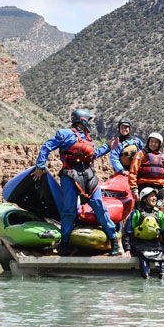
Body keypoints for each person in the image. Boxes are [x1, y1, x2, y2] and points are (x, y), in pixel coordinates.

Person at [32, 108, 120, 256]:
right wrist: (40, 166)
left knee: (99, 206)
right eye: (88, 120)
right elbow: (47, 146)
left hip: (89, 176)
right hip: (70, 175)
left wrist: (109, 147)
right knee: (69, 210)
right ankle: (65, 244)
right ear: (82, 120)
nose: (90, 123)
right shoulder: (64, 134)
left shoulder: (88, 139)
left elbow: (94, 154)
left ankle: (113, 241)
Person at [122, 187, 164, 278]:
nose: (154, 198)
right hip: (139, 243)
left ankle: (162, 275)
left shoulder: (159, 214)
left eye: (155, 196)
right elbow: (127, 232)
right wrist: (127, 249)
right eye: (151, 196)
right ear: (144, 199)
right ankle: (146, 276)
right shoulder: (136, 213)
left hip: (155, 243)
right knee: (143, 257)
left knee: (162, 258)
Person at [128, 132, 164, 204]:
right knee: (140, 210)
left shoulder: (162, 157)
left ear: (159, 144)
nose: (153, 144)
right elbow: (133, 172)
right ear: (148, 142)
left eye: (156, 142)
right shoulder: (141, 154)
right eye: (151, 141)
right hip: (144, 186)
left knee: (156, 212)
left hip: (159, 188)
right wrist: (134, 189)